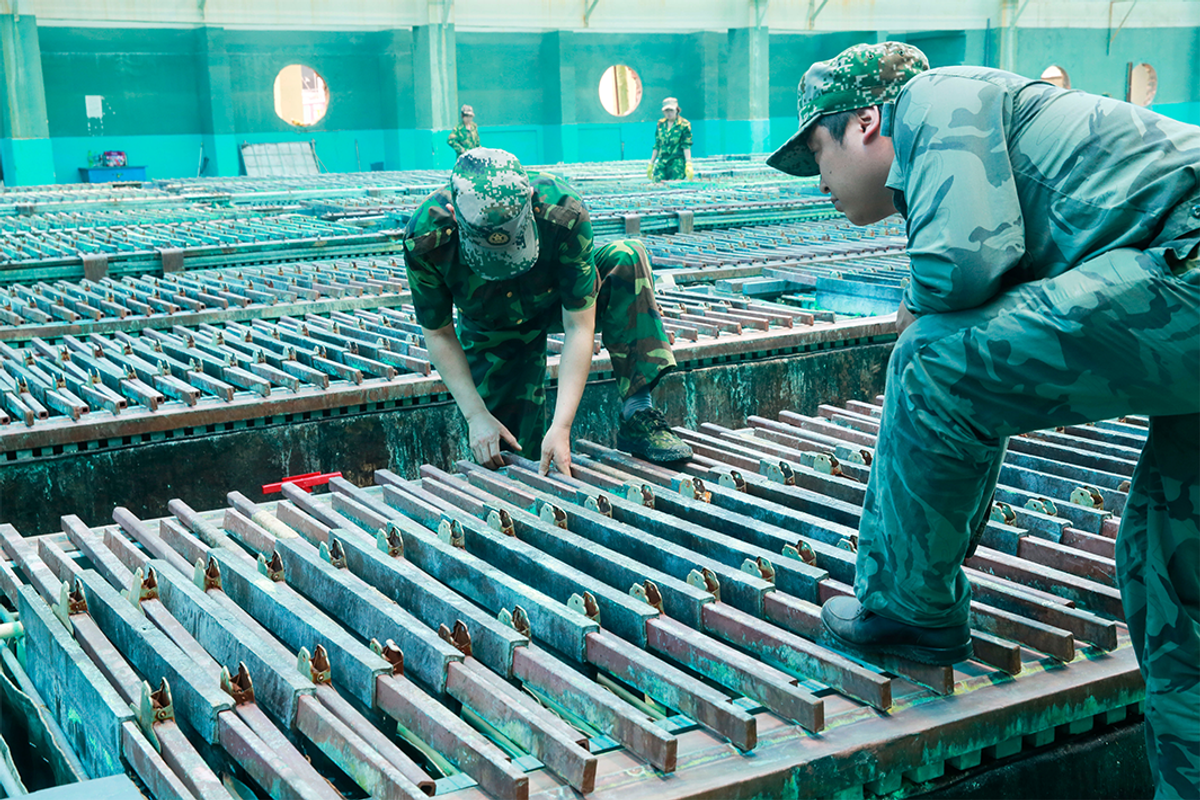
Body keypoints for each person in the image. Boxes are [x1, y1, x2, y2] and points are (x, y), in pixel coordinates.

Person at [767, 42, 1199, 797]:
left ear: (868, 121)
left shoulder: (938, 98)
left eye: (816, 150)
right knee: (1171, 565)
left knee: (934, 361)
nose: (821, 181)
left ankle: (907, 607)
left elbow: (967, 265)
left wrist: (910, 317)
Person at [402, 147, 693, 477]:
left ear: (530, 198)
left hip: (556, 299)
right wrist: (475, 416)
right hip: (493, 327)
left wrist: (562, 426)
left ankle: (638, 413)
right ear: (455, 214)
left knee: (627, 257)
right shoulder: (426, 237)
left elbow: (579, 326)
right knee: (511, 456)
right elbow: (438, 332)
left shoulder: (563, 211)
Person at [648, 97, 693, 182]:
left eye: (671, 111)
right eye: (666, 111)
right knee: (656, 184)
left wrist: (688, 163)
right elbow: (657, 144)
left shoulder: (684, 124)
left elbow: (686, 145)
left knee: (675, 186)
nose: (669, 113)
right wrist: (651, 163)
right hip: (662, 161)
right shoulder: (660, 124)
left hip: (676, 162)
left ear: (677, 110)